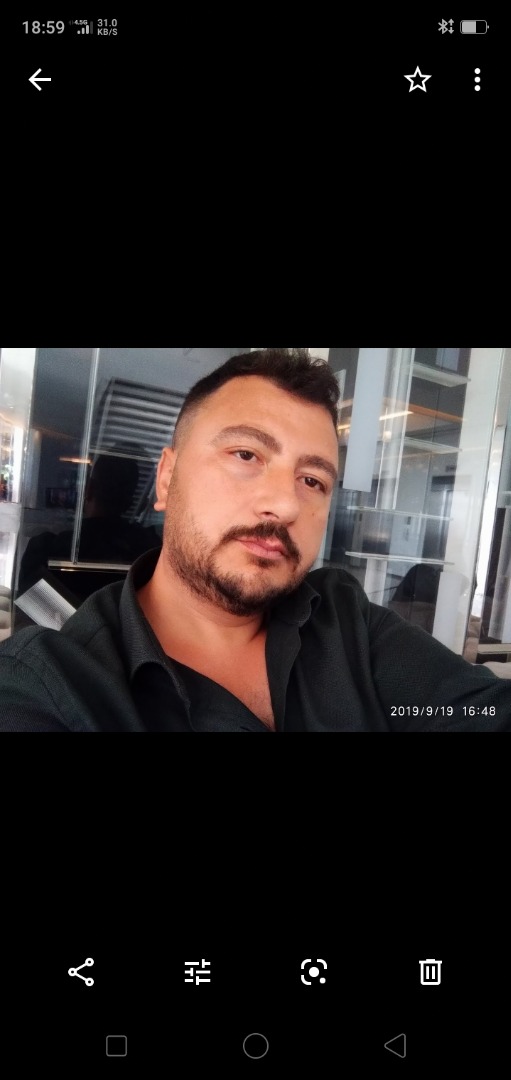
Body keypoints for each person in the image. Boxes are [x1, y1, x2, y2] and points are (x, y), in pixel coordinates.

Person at [0, 348, 510, 732]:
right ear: (166, 479)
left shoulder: (345, 622)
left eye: (312, 480)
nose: (286, 505)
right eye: (246, 455)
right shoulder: (49, 686)